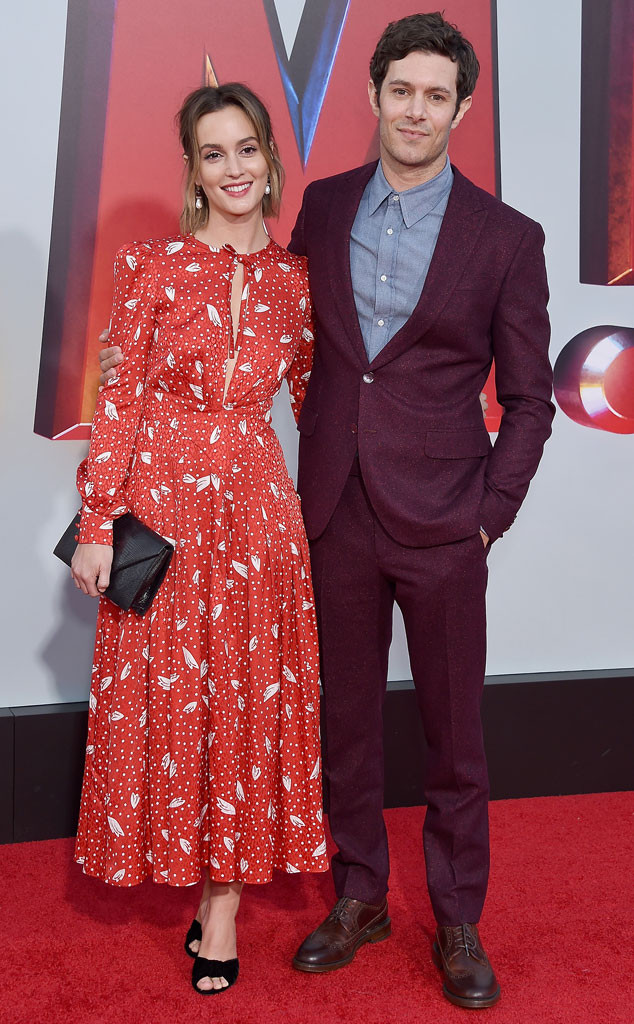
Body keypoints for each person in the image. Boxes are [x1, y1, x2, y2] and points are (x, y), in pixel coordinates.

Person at [99, 12, 555, 1010]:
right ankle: (357, 896)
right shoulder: (321, 212)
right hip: (329, 515)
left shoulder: (507, 239)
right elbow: (291, 363)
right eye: (402, 89)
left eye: (438, 95)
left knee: (453, 735)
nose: (416, 109)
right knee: (340, 724)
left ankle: (457, 917)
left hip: (444, 522)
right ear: (374, 95)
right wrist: (110, 517)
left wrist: (490, 512)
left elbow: (529, 398)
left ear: (461, 109)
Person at [71, 82, 327, 997]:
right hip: (163, 517)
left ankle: (221, 910)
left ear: (269, 157)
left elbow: (317, 405)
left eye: (247, 149)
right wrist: (98, 522)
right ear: (193, 169)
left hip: (260, 522)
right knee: (178, 708)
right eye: (213, 154)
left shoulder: (298, 280)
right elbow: (123, 398)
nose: (234, 170)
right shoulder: (150, 266)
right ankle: (187, 870)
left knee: (248, 708)